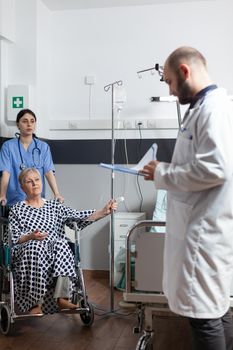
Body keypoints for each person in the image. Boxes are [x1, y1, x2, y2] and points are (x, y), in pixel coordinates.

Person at [141, 46, 233, 350]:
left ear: (184, 72)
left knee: (205, 316)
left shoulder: (214, 109)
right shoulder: (202, 107)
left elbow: (215, 168)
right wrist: (163, 172)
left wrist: (163, 174)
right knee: (214, 310)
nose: (168, 88)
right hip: (199, 229)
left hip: (203, 234)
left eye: (168, 81)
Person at [9, 167, 117, 315]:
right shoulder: (17, 209)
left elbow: (78, 217)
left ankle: (62, 298)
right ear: (22, 187)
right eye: (29, 181)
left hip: (54, 248)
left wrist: (103, 211)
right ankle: (35, 304)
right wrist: (31, 237)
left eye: (37, 180)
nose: (34, 184)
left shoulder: (54, 206)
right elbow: (14, 238)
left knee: (62, 243)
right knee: (36, 247)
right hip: (28, 248)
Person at [0, 108, 64, 206]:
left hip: (37, 201)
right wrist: (2, 195)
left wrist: (57, 194)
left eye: (32, 121)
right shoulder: (8, 146)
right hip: (15, 201)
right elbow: (6, 173)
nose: (29, 124)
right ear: (18, 125)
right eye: (25, 121)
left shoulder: (43, 147)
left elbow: (48, 172)